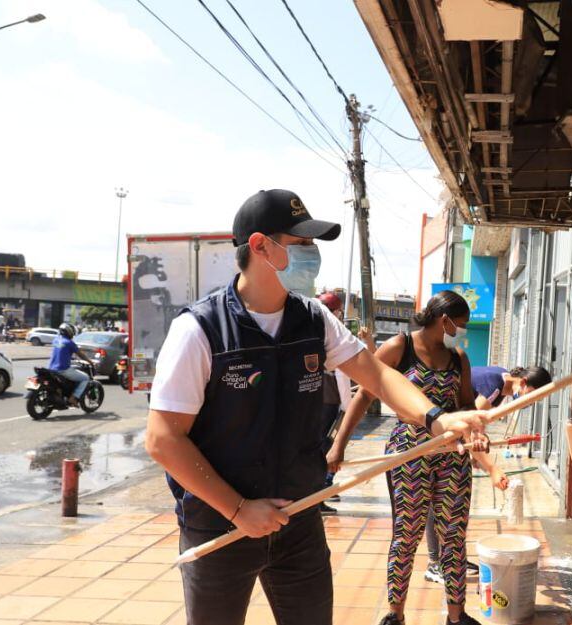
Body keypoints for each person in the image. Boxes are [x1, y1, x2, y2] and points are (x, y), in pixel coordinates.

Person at [144, 189, 489, 625]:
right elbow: (162, 440)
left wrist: (436, 418)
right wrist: (237, 510)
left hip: (299, 519)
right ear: (259, 246)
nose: (313, 255)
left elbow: (377, 375)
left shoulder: (314, 319)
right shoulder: (200, 329)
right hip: (220, 523)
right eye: (301, 244)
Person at [328, 290, 494, 625]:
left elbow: (464, 405)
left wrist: (474, 432)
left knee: (453, 535)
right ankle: (395, 615)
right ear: (443, 320)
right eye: (459, 324)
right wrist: (339, 444)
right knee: (407, 534)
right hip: (409, 453)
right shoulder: (398, 347)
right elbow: (364, 395)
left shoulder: (458, 357)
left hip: (451, 455)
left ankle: (456, 615)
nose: (461, 330)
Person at [422, 363, 552, 583]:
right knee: (437, 500)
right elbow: (471, 425)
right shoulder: (495, 385)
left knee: (454, 502)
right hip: (435, 432)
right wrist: (491, 468)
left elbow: (475, 427)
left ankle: (451, 560)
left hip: (448, 433)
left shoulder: (501, 384)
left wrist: (476, 454)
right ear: (523, 383)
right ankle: (435, 564)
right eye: (533, 396)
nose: (532, 402)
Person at [316, 291, 350, 515]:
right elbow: (341, 372)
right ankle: (316, 498)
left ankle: (317, 495)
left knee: (316, 449)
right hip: (328, 402)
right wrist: (347, 405)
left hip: (317, 402)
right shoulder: (331, 333)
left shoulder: (314, 330)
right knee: (321, 451)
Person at [47, 323, 92, 405]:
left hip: (51, 368)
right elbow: (80, 354)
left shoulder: (56, 340)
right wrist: (90, 361)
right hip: (62, 370)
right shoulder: (70, 343)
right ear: (69, 332)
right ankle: (73, 398)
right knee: (85, 378)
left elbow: (62, 352)